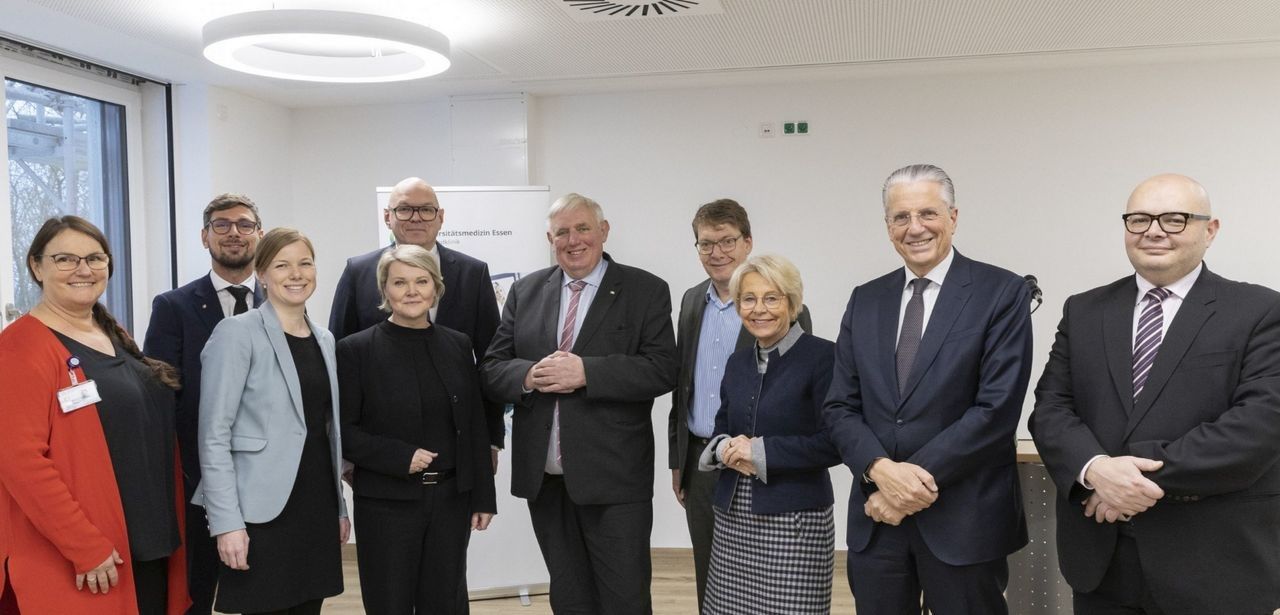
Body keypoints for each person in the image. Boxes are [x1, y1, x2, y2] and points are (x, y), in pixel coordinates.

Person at [1029, 174, 1280, 614]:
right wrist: (1095, 469)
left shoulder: (1260, 310)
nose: (1154, 230)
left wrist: (1128, 482)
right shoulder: (1084, 310)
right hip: (1102, 564)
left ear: (1211, 230)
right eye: (1139, 219)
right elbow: (1051, 408)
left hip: (1215, 564)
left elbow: (1258, 425)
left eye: (1175, 219)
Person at [823, 164, 1033, 614]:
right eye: (900, 217)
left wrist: (904, 487)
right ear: (887, 227)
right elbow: (840, 405)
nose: (914, 227)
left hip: (964, 522)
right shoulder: (866, 298)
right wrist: (880, 471)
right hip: (877, 522)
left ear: (953, 217)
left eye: (927, 214)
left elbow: (995, 411)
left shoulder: (1002, 292)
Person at [481, 193, 677, 615]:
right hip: (547, 482)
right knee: (569, 599)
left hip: (615, 482)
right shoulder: (527, 290)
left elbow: (662, 369)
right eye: (562, 232)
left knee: (624, 599)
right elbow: (493, 368)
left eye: (583, 228)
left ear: (604, 231)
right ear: (549, 238)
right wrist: (530, 376)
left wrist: (587, 372)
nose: (574, 240)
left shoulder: (645, 290)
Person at [0, 215, 189, 614]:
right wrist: (84, 545)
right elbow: (20, 463)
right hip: (88, 558)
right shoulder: (20, 348)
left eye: (94, 258)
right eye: (65, 259)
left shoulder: (111, 332)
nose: (83, 270)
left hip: (147, 541)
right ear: (37, 266)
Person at [667, 198, 813, 611]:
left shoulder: (783, 309)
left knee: (763, 581)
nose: (717, 253)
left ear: (748, 242)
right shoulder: (692, 301)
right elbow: (684, 388)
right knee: (710, 579)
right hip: (702, 459)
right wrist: (678, 457)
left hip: (757, 463)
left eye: (727, 241)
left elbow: (797, 399)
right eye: (706, 244)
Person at [194, 227, 349, 615]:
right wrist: (226, 523)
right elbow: (213, 435)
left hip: (314, 504)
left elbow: (326, 432)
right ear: (262, 274)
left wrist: (340, 509)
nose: (296, 274)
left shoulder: (325, 339)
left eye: (305, 263)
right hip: (258, 513)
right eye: (282, 265)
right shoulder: (236, 332)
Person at [337, 244, 497, 614]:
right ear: (384, 290)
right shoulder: (355, 350)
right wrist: (399, 456)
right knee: (389, 602)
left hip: (450, 502)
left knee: (446, 602)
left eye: (421, 281)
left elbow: (473, 425)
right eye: (400, 282)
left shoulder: (458, 345)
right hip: (385, 504)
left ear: (435, 288)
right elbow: (342, 431)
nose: (412, 291)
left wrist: (483, 497)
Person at [697, 254, 839, 614]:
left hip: (794, 522)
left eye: (772, 298)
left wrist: (759, 452)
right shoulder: (737, 362)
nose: (759, 309)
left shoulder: (824, 357)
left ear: (793, 303)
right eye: (749, 299)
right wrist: (725, 447)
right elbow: (721, 427)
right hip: (734, 518)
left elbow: (834, 442)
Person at [143, 193, 264, 613]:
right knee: (197, 589)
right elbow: (161, 391)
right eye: (222, 225)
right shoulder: (173, 307)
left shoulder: (283, 304)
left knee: (265, 586)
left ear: (259, 235)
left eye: (245, 225)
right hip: (197, 475)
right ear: (204, 236)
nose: (234, 233)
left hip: (267, 476)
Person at [329, 177, 505, 463]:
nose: (416, 218)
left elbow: (491, 361)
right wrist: (348, 453)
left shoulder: (473, 273)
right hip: (379, 440)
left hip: (456, 438)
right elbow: (338, 358)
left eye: (426, 210)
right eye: (404, 209)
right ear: (387, 217)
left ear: (441, 217)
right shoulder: (358, 271)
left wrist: (492, 439)